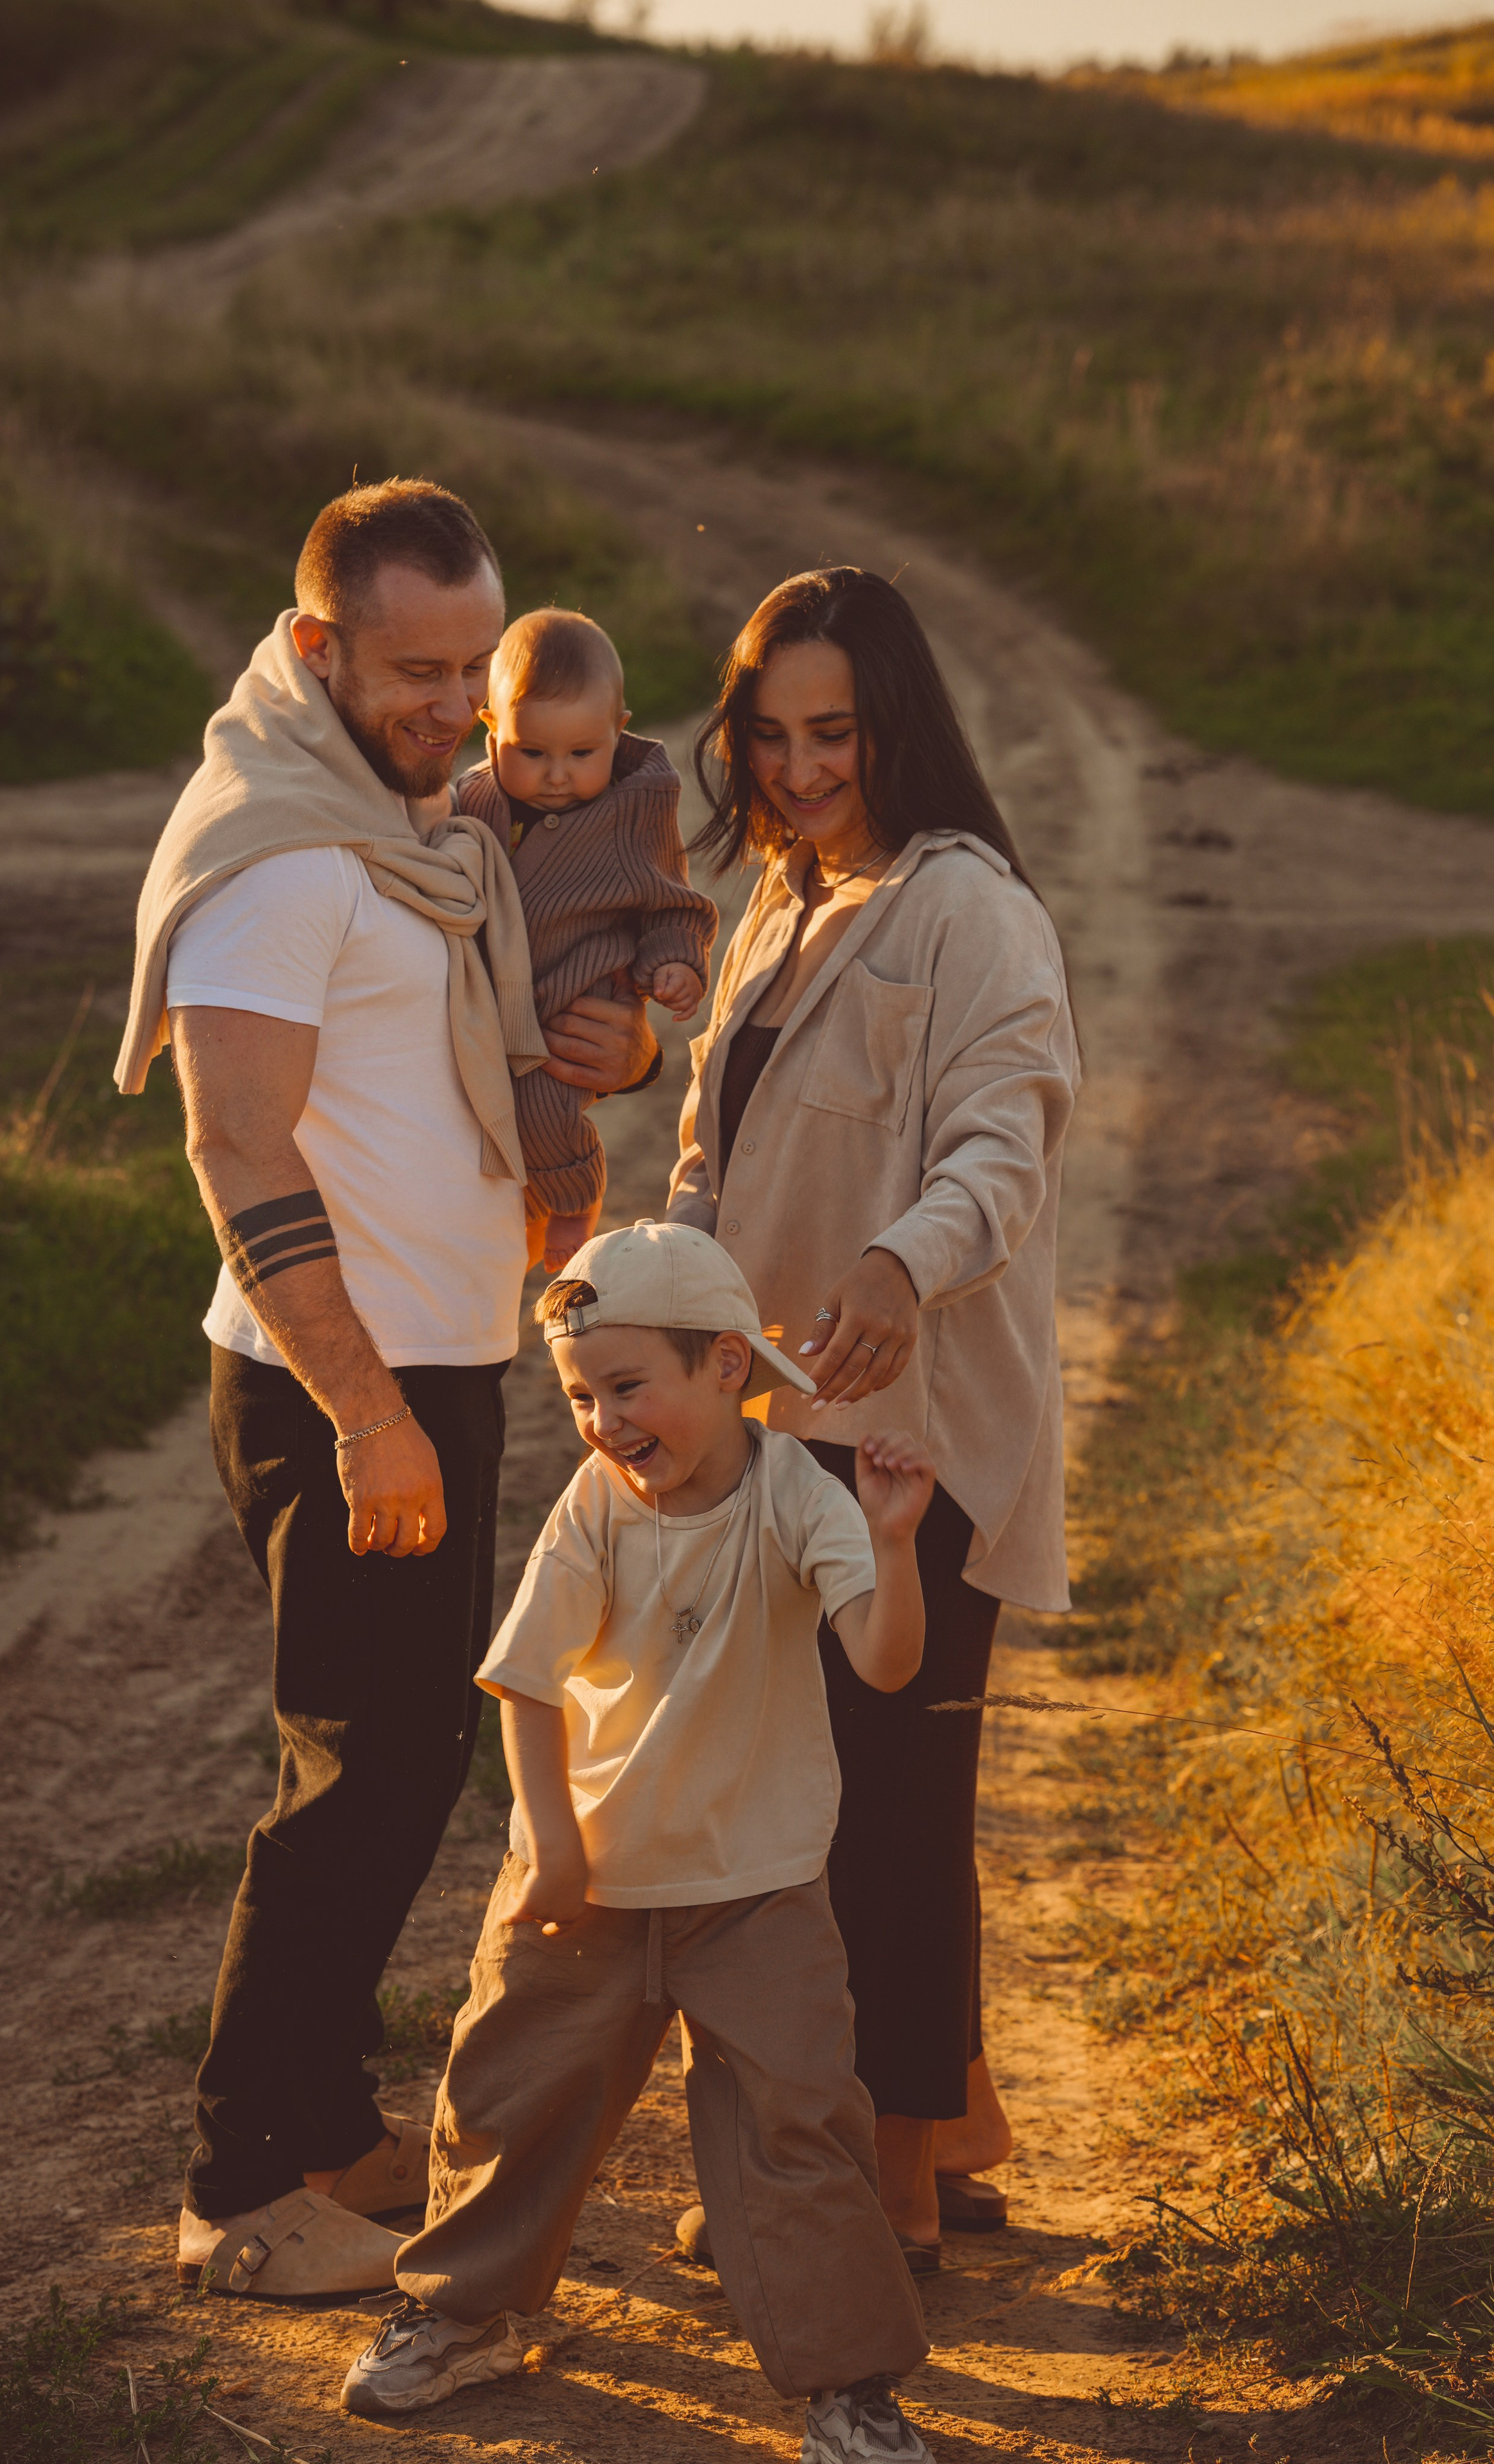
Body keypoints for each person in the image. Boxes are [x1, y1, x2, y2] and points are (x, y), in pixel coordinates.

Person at [113, 477, 658, 2302]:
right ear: (319, 645)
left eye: (465, 669)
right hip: (343, 1385)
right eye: (413, 671)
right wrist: (367, 1414)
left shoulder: (401, 820)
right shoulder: (276, 853)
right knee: (354, 1772)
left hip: (438, 1352)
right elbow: (237, 1142)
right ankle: (244, 2186)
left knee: (413, 1758)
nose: (449, 706)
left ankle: (332, 2121)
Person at [339, 1220, 938, 2463]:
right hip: (587, 1880)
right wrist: (551, 1855)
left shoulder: (795, 1497)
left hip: (757, 1891)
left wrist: (890, 1540)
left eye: (625, 1387)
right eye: (578, 1396)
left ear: (726, 1368)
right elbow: (528, 1688)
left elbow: (884, 1665)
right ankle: (462, 2315)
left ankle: (843, 2382)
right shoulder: (593, 1509)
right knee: (508, 2096)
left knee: (800, 2125)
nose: (603, 1422)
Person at [666, 566, 1078, 2265]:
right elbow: (714, 1156)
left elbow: (1007, 1137)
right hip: (772, 1429)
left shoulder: (965, 908)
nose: (800, 768)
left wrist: (905, 1267)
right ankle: (932, 2121)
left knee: (890, 1815)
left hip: (914, 1441)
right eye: (769, 736)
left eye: (832, 733)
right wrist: (657, 1295)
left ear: (893, 724)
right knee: (789, 1803)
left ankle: (888, 2185)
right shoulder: (777, 907)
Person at [457, 608, 717, 1272]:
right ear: (490, 731)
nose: (556, 775)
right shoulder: (468, 803)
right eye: (532, 752)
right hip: (489, 1005)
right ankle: (518, 1208)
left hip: (572, 996)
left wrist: (674, 963)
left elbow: (672, 903)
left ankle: (573, 1197)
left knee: (543, 1101)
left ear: (617, 732)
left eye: (582, 753)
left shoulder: (633, 813)